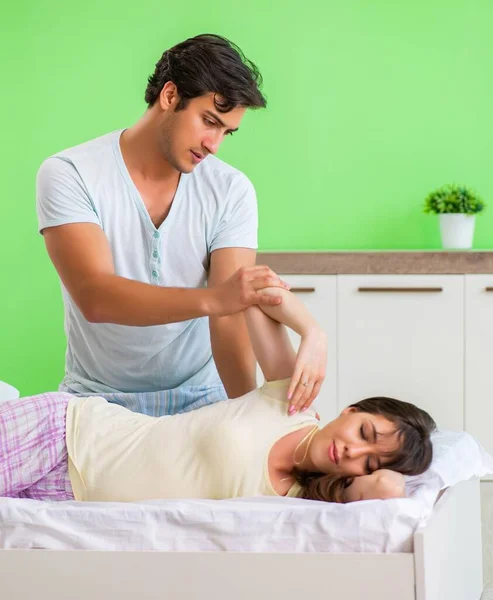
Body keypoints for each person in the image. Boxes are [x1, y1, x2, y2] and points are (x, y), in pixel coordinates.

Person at [36, 33, 300, 416]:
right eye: (209, 121)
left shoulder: (231, 191)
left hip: (201, 398)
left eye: (227, 132)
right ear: (170, 95)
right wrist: (216, 299)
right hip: (96, 402)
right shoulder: (69, 173)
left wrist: (246, 417)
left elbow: (228, 322)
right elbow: (96, 296)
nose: (214, 144)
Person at [0, 287, 435, 503]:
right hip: (68, 432)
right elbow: (259, 294)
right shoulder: (292, 402)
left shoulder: (306, 500)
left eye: (369, 460)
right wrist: (313, 333)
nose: (352, 451)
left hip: (75, 499)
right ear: (350, 410)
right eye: (363, 431)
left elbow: (391, 491)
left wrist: (383, 470)